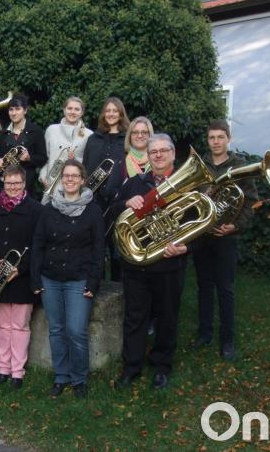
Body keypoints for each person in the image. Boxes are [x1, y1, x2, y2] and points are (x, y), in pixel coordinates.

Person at [111, 134, 189, 391]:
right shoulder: (135, 183)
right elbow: (112, 210)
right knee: (135, 317)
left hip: (170, 264)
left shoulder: (186, 185)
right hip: (138, 265)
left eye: (163, 151)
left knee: (167, 317)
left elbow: (203, 223)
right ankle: (131, 366)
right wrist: (125, 203)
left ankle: (161, 366)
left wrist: (186, 246)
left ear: (172, 153)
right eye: (153, 151)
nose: (157, 155)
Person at [31, 160, 105, 399]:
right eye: (66, 176)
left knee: (76, 330)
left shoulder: (93, 210)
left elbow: (98, 250)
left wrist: (93, 282)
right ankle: (61, 377)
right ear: (61, 179)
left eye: (75, 176)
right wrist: (35, 279)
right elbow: (38, 245)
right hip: (50, 278)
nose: (70, 180)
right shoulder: (49, 208)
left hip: (79, 279)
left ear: (83, 180)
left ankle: (79, 379)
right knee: (56, 329)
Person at [193, 119, 258, 361]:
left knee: (226, 290)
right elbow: (191, 198)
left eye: (220, 137)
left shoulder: (239, 166)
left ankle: (227, 340)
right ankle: (205, 333)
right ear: (208, 140)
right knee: (204, 288)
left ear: (228, 139)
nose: (216, 142)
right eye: (212, 138)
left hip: (226, 237)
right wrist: (203, 194)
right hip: (202, 235)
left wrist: (235, 226)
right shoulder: (201, 167)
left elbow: (250, 202)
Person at [0, 165, 42, 389]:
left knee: (20, 326)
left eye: (17, 183)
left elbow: (38, 246)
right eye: (8, 183)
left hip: (21, 278)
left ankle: (17, 371)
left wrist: (21, 268)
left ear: (24, 183)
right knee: (3, 325)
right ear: (3, 184)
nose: (13, 187)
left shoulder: (35, 209)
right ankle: (3, 367)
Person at [82, 97, 130, 281]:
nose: (111, 114)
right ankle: (98, 287)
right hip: (96, 200)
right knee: (97, 246)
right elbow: (86, 167)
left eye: (115, 111)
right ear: (104, 114)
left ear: (120, 114)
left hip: (119, 199)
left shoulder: (127, 139)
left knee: (118, 248)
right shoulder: (93, 139)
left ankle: (119, 290)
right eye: (108, 110)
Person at [40, 96, 93, 202]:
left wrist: (75, 159)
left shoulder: (89, 134)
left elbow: (88, 163)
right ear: (64, 110)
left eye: (77, 109)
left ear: (82, 112)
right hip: (52, 185)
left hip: (74, 187)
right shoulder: (51, 130)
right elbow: (45, 157)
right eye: (69, 108)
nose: (72, 112)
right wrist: (43, 178)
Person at [0, 94, 47, 200]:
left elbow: (43, 158)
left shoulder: (36, 131)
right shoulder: (3, 133)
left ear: (25, 110)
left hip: (27, 185)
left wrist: (29, 158)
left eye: (17, 109)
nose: (13, 113)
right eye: (11, 110)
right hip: (6, 185)